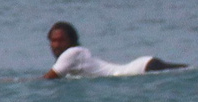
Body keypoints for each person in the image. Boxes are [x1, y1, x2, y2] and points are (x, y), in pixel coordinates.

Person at [43, 21, 185, 79]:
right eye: (53, 41)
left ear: (71, 41)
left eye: (61, 40)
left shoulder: (72, 53)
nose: (56, 44)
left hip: (142, 68)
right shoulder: (72, 59)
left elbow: (47, 79)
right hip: (143, 68)